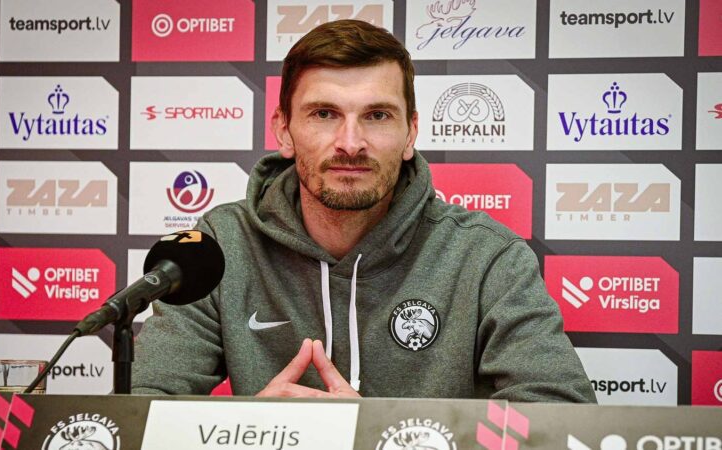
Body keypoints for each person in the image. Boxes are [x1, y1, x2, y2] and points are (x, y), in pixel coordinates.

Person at [132, 19, 596, 402]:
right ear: (284, 129)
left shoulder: (486, 256)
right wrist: (252, 430)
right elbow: (142, 404)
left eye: (377, 116)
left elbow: (559, 414)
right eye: (324, 114)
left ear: (410, 133)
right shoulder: (221, 245)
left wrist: (378, 434)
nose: (350, 143)